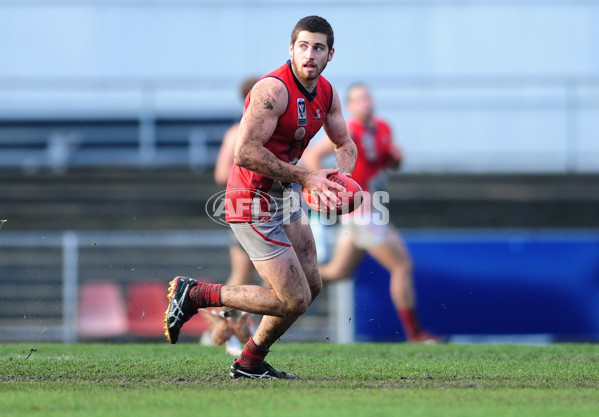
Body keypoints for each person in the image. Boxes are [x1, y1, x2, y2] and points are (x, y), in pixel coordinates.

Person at [164, 15, 358, 379]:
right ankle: (195, 294)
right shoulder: (273, 90)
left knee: (311, 286)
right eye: (303, 46)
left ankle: (250, 360)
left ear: (331, 54)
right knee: (293, 298)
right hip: (250, 197)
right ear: (291, 49)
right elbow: (245, 153)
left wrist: (340, 180)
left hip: (282, 194)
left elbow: (344, 142)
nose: (310, 54)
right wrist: (307, 177)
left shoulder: (328, 92)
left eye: (318, 48)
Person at [301, 83, 440, 344]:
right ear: (351, 106)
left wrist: (396, 158)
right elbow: (313, 156)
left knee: (338, 272)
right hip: (361, 212)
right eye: (358, 99)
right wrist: (325, 187)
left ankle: (285, 285)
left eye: (367, 97)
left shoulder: (382, 128)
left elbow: (390, 164)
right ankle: (416, 334)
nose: (365, 102)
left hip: (373, 209)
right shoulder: (349, 130)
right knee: (402, 266)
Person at [199, 76, 260, 356]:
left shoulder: (273, 131)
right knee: (243, 274)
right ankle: (226, 330)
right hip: (245, 207)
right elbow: (221, 174)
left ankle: (231, 330)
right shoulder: (237, 133)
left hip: (274, 208)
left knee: (268, 279)